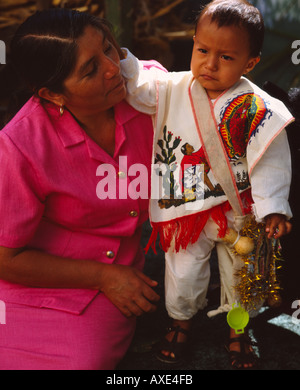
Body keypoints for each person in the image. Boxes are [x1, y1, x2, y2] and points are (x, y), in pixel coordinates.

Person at [121, 0, 293, 369]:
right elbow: (136, 86)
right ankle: (181, 321)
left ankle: (239, 328)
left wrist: (274, 206)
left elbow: (271, 161)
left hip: (240, 211)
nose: (210, 64)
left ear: (250, 63)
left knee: (242, 275)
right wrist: (118, 59)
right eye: (203, 50)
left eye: (226, 57)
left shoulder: (257, 107)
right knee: (182, 272)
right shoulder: (170, 87)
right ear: (194, 42)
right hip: (186, 209)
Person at [0, 8, 163, 370]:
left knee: (83, 364)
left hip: (106, 284)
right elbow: (4, 258)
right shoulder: (20, 145)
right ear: (53, 94)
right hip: (29, 279)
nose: (111, 68)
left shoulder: (152, 94)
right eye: (91, 69)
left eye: (108, 48)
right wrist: (105, 277)